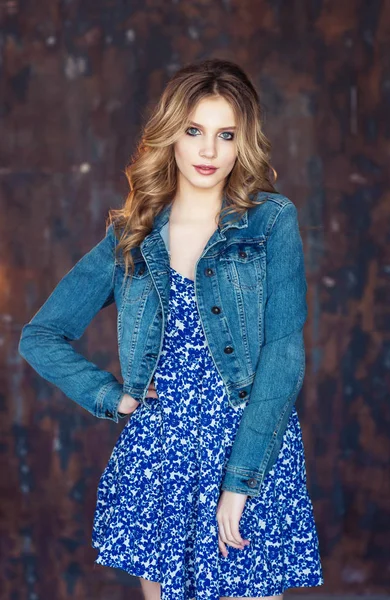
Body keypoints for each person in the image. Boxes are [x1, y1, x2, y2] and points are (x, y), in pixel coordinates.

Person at [18, 58, 324, 599]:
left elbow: (283, 356)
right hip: (162, 459)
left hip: (250, 448)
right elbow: (40, 336)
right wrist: (114, 398)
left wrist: (240, 483)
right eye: (193, 131)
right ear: (171, 137)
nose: (209, 151)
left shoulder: (271, 222)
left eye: (225, 134)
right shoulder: (130, 238)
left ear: (242, 142)